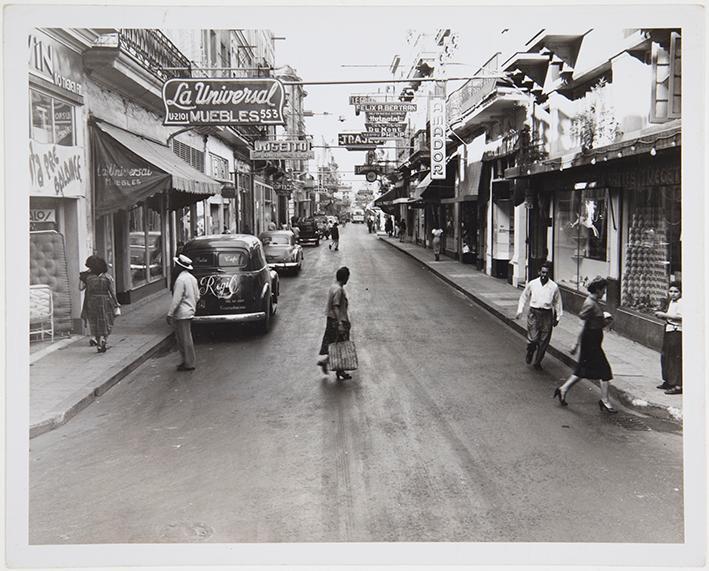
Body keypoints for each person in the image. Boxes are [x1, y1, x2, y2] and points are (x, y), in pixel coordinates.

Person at [554, 276, 617, 413]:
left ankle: (563, 389)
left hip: (593, 340)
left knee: (582, 370)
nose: (604, 293)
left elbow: (594, 321)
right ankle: (605, 401)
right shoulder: (589, 303)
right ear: (597, 290)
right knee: (605, 371)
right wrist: (575, 344)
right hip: (590, 342)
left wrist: (605, 322)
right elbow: (581, 324)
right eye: (603, 290)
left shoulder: (595, 301)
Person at [515, 261, 563, 369]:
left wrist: (558, 316)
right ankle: (530, 351)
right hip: (534, 313)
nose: (544, 275)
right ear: (539, 272)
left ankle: (537, 362)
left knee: (544, 341)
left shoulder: (554, 287)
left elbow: (557, 302)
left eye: (546, 273)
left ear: (549, 274)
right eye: (542, 272)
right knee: (533, 338)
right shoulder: (532, 283)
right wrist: (520, 310)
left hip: (547, 314)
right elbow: (524, 297)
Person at [317, 266, 352, 381]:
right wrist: (340, 324)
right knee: (341, 346)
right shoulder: (338, 290)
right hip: (337, 321)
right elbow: (336, 306)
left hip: (331, 320)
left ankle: (338, 369)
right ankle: (329, 364)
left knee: (337, 346)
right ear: (345, 278)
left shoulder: (334, 286)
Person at [167, 254, 201, 372]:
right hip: (189, 311)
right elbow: (197, 296)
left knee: (183, 338)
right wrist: (192, 307)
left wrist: (170, 313)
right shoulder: (192, 278)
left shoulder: (180, 280)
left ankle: (188, 362)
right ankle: (187, 361)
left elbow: (177, 299)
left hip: (181, 313)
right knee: (187, 336)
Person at [80, 255, 119, 353]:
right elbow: (112, 292)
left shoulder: (88, 278)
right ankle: (104, 340)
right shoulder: (107, 277)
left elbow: (80, 288)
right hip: (105, 301)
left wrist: (81, 277)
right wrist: (116, 302)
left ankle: (98, 343)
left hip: (92, 302)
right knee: (107, 322)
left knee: (95, 323)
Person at [655, 281, 682, 394]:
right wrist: (663, 317)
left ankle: (677, 384)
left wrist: (663, 315)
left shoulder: (682, 302)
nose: (673, 294)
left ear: (681, 293)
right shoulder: (672, 302)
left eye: (676, 291)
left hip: (676, 331)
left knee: (674, 357)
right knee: (665, 356)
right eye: (671, 291)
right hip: (669, 329)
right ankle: (668, 380)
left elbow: (680, 317)